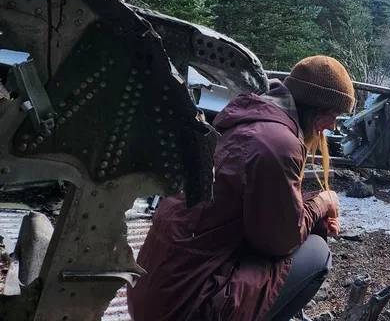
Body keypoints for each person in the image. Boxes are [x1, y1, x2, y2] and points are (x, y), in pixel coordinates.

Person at [128, 56, 355, 321]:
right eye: (333, 116)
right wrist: (320, 205)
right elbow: (279, 242)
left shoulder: (247, 121)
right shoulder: (277, 143)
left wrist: (314, 213)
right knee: (317, 254)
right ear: (316, 108)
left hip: (155, 293)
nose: (332, 127)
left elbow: (258, 206)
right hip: (187, 304)